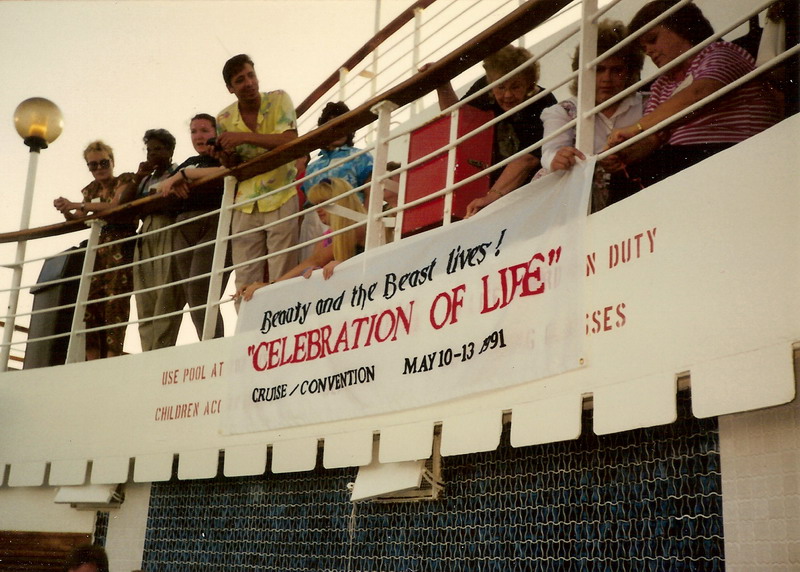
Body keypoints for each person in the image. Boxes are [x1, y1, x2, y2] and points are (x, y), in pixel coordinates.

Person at [605, 0, 781, 187]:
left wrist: (636, 128)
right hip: (688, 159)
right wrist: (623, 155)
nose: (648, 51)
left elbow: (699, 93)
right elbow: (654, 137)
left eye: (652, 39)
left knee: (663, 162)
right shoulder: (662, 84)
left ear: (682, 28)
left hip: (737, 151)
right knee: (621, 179)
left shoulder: (720, 53)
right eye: (643, 48)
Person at [423, 45, 557, 217]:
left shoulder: (542, 102)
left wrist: (491, 197)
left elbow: (528, 159)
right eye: (500, 87)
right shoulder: (485, 87)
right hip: (493, 189)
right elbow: (457, 119)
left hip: (530, 190)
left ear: (529, 85)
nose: (507, 95)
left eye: (516, 87)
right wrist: (442, 83)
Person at [214, 54, 300, 309]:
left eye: (251, 75)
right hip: (245, 204)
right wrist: (224, 155)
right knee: (245, 277)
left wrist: (242, 137)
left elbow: (290, 140)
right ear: (230, 88)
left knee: (283, 273)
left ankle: (281, 325)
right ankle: (247, 329)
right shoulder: (224, 119)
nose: (249, 82)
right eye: (240, 80)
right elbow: (232, 164)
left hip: (281, 193)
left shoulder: (279, 99)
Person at [536, 20, 646, 212]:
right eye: (598, 69)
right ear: (582, 73)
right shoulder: (563, 111)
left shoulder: (646, 103)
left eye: (616, 70)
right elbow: (549, 153)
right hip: (574, 201)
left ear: (630, 72)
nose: (606, 78)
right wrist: (557, 158)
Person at [53, 141, 137, 360]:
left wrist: (77, 205)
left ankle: (111, 358)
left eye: (103, 162)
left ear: (112, 161)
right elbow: (78, 218)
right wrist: (66, 210)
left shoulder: (125, 180)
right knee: (91, 303)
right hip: (98, 249)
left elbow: (115, 204)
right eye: (93, 165)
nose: (99, 168)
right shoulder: (91, 190)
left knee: (115, 303)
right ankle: (92, 358)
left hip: (122, 243)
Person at [160, 114, 230, 340]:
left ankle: (215, 347)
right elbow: (161, 186)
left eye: (204, 130)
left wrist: (187, 175)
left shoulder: (224, 156)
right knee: (192, 296)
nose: (198, 136)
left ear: (216, 133)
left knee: (202, 291)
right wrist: (175, 182)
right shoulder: (189, 160)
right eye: (193, 131)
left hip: (212, 223)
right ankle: (209, 343)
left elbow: (228, 170)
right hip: (184, 227)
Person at [237, 178, 367, 301]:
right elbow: (313, 262)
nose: (318, 209)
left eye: (324, 203)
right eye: (316, 204)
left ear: (341, 203)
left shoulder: (358, 226)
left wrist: (270, 286)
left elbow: (316, 260)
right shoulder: (327, 237)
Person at [132, 128, 184, 351]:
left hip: (166, 228)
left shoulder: (178, 172)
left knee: (166, 295)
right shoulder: (145, 180)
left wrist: (149, 203)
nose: (152, 154)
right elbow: (129, 206)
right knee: (144, 297)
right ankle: (148, 351)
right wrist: (138, 177)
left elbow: (171, 201)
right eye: (149, 150)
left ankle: (161, 351)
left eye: (158, 149)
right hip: (145, 233)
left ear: (170, 151)